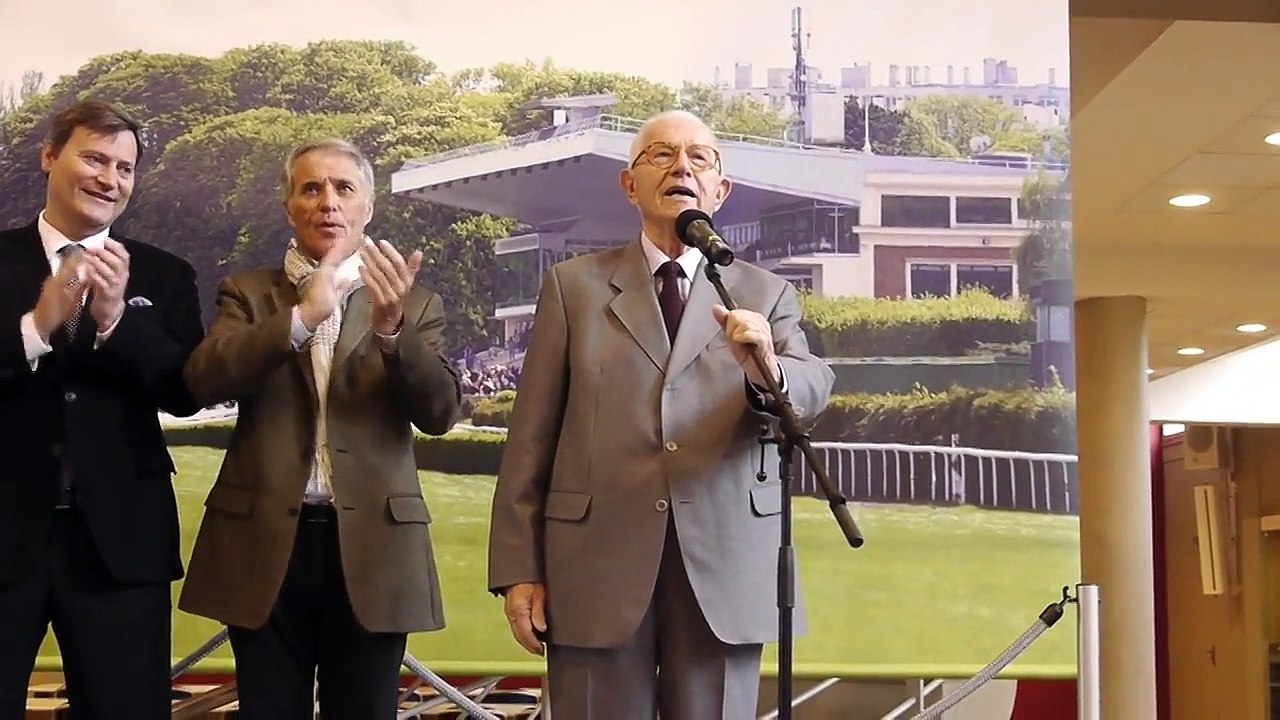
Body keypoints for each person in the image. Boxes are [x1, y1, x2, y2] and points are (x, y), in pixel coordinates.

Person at [487, 110, 836, 718]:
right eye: (662, 155)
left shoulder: (763, 293)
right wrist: (520, 568)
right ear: (629, 184)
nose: (682, 167)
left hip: (723, 563)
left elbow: (811, 386)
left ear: (721, 192)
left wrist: (767, 370)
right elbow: (531, 439)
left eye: (700, 158)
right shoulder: (575, 288)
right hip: (594, 563)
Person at [177, 138, 461, 719]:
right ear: (289, 207)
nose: (327, 202)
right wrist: (303, 316)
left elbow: (438, 412)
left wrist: (391, 332)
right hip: (264, 544)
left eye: (343, 189)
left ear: (367, 209)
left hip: (373, 548)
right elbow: (204, 379)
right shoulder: (249, 293)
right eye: (311, 188)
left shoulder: (414, 302)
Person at [0, 99, 206, 718]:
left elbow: (186, 391)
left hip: (121, 543)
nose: (108, 179)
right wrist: (39, 326)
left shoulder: (165, 275)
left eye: (124, 168)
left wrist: (116, 320)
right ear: (49, 157)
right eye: (93, 158)